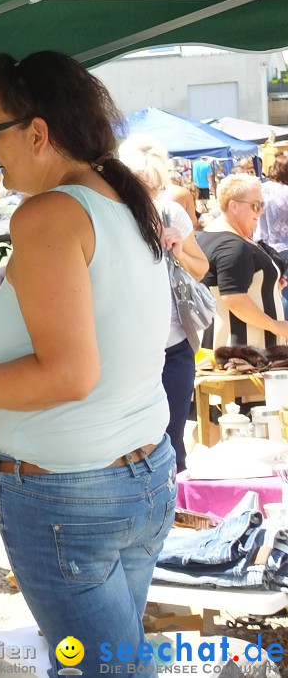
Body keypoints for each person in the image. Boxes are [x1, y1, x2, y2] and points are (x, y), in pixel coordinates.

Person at [0, 51, 176, 677]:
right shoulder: (120, 201)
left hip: (71, 496)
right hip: (139, 473)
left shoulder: (48, 214)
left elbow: (69, 374)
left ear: (38, 133)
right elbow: (78, 340)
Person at [119, 136, 209, 473]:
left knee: (173, 441)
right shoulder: (108, 216)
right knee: (132, 445)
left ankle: (176, 518)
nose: (148, 195)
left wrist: (179, 250)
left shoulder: (170, 213)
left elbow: (201, 269)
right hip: (127, 351)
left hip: (173, 346)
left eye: (155, 188)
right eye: (141, 186)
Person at [197, 173, 288, 349]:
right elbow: (234, 298)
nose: (261, 211)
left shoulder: (211, 234)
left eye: (262, 205)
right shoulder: (231, 245)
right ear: (234, 206)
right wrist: (277, 326)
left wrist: (270, 283)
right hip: (243, 355)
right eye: (256, 206)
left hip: (238, 351)